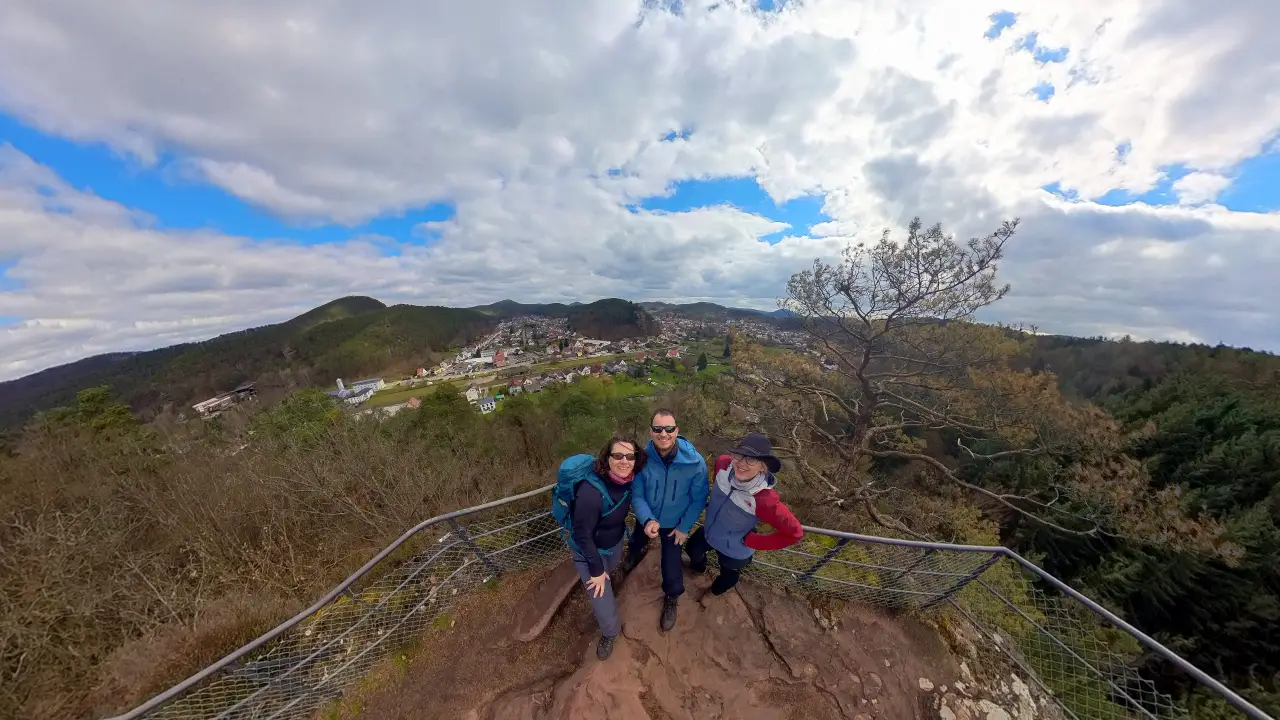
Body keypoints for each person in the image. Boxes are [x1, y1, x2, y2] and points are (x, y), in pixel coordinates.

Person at [686, 432, 803, 598]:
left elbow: (794, 533)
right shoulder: (722, 465)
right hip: (710, 532)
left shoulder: (764, 500)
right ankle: (699, 568)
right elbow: (718, 490)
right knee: (692, 548)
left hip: (736, 546)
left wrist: (754, 541)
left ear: (763, 467)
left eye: (751, 459)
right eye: (739, 455)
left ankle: (712, 593)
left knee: (728, 577)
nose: (741, 463)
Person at [623, 409, 709, 632]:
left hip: (675, 524)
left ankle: (672, 597)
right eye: (658, 429)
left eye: (669, 428)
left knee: (671, 565)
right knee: (636, 541)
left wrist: (684, 528)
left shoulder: (695, 462)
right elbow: (637, 494)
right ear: (651, 431)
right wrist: (647, 519)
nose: (664, 434)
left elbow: (698, 499)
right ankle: (633, 555)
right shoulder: (641, 458)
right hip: (648, 518)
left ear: (677, 430)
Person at [568, 435, 647, 659]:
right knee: (602, 597)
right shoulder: (590, 493)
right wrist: (596, 570)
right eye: (618, 455)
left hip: (613, 543)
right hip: (588, 552)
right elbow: (582, 535)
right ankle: (610, 633)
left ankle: (607, 576)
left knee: (610, 571)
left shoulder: (629, 480)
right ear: (607, 458)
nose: (624, 461)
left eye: (630, 456)